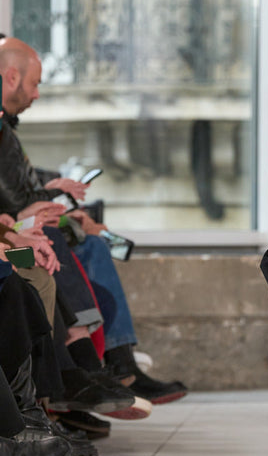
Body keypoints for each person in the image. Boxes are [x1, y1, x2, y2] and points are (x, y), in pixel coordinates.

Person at [0, 37, 187, 404]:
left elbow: (15, 194)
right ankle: (74, 377)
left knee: (86, 245)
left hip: (15, 234)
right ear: (11, 77)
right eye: (35, 84)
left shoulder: (6, 129)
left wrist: (48, 199)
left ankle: (109, 367)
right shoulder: (3, 130)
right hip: (12, 238)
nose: (37, 94)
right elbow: (13, 201)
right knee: (47, 253)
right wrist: (33, 212)